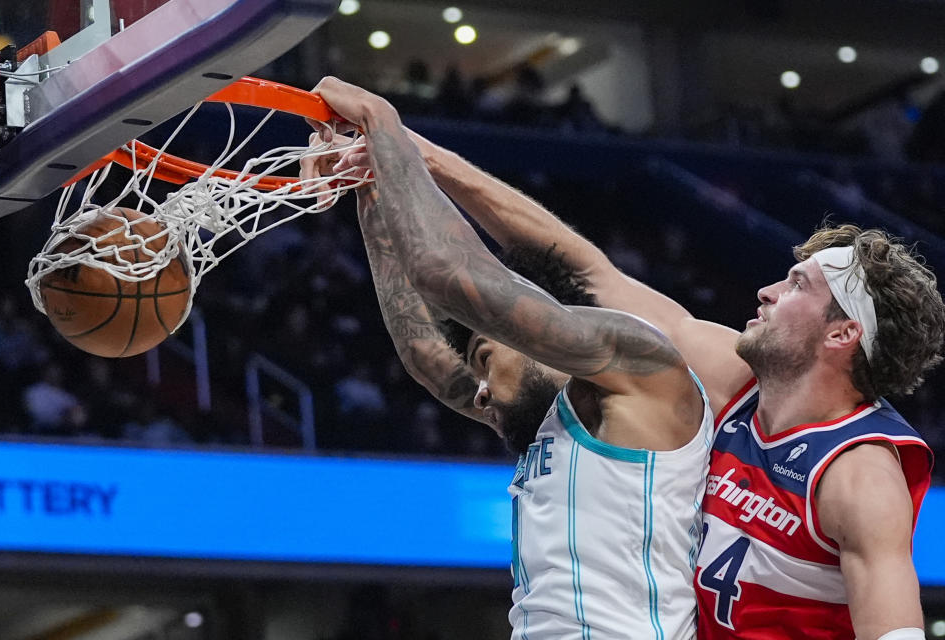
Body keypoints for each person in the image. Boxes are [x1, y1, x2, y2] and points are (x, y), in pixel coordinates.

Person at [305, 82, 945, 640]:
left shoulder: (860, 473)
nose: (767, 289)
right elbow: (586, 269)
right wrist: (410, 156)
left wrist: (387, 136)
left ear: (842, 335)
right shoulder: (735, 379)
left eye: (798, 285)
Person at [304, 77, 713, 640]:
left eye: (483, 357)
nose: (476, 391)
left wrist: (380, 124)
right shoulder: (547, 414)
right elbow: (425, 352)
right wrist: (371, 183)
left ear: (526, 325)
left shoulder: (643, 366)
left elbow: (448, 273)